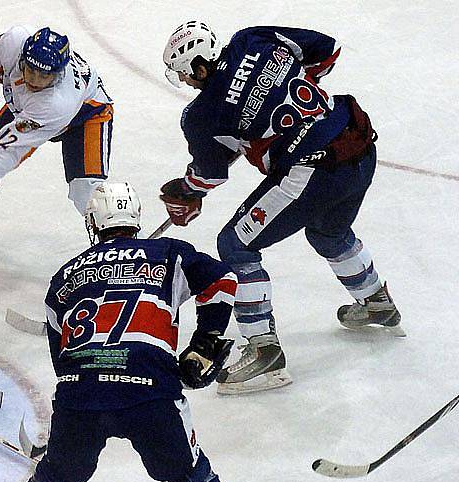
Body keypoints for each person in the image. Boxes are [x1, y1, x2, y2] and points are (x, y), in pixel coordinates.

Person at [0, 182, 258, 482]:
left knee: (55, 476)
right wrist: (206, 339)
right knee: (188, 471)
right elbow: (223, 279)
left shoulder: (65, 275)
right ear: (135, 218)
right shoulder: (169, 253)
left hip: (82, 393)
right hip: (149, 388)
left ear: (94, 222)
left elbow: (61, 357)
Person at [159, 21, 403, 395]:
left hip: (312, 169)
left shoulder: (200, 115)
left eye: (185, 75)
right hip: (357, 144)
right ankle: (376, 301)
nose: (188, 83)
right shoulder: (253, 38)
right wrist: (275, 92)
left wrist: (186, 189)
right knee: (328, 231)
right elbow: (328, 50)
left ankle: (263, 349)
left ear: (199, 68)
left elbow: (210, 175)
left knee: (235, 245)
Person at [0, 25, 114, 244]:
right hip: (27, 106)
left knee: (87, 191)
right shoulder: (14, 42)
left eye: (44, 74)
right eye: (31, 69)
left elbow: (6, 150)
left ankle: (114, 242)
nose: (35, 79)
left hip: (86, 116)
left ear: (58, 73)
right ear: (23, 57)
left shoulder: (56, 103)